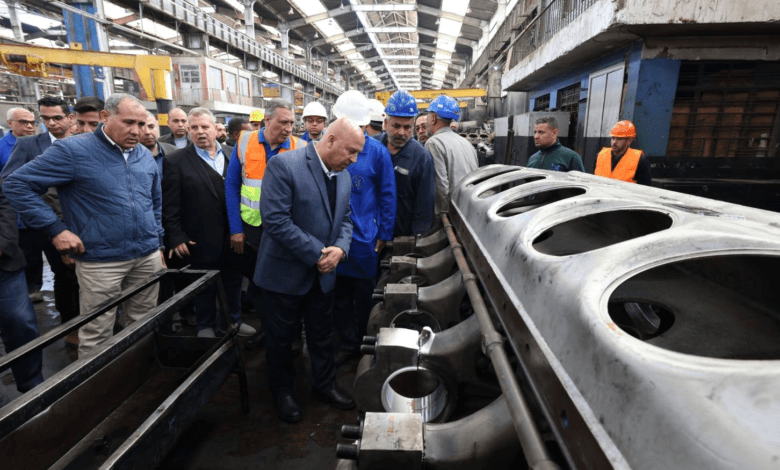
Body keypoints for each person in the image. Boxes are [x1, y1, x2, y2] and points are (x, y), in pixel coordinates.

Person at [3, 93, 166, 358]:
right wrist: (55, 229)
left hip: (147, 257)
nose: (137, 131)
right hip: (101, 261)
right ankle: (99, 383)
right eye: (128, 122)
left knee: (143, 323)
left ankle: (136, 374)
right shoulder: (73, 150)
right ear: (105, 117)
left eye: (141, 124)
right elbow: (16, 184)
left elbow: (154, 203)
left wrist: (157, 244)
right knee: (97, 333)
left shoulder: (144, 156)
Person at [255, 117, 362, 423]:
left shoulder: (343, 175)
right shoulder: (285, 166)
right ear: (331, 141)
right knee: (281, 339)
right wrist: (317, 254)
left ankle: (324, 385)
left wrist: (340, 249)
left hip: (323, 275)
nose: (354, 159)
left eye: (357, 153)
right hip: (284, 274)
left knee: (322, 334)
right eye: (351, 151)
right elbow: (275, 220)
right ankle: (282, 392)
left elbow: (346, 219)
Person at [162, 108, 255, 338]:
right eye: (194, 128)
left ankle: (233, 321)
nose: (200, 132)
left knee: (233, 280)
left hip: (234, 235)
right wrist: (176, 235)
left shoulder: (234, 154)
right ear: (189, 130)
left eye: (205, 127)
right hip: (199, 236)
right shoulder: (175, 161)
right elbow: (170, 204)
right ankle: (205, 326)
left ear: (215, 128)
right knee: (203, 283)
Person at [329, 93, 396, 366]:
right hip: (334, 238)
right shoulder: (329, 148)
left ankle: (365, 342)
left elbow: (388, 195)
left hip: (365, 239)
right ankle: (346, 343)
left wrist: (384, 234)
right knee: (339, 296)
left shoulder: (378, 153)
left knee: (365, 296)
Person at [226, 99, 305, 328]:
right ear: (267, 120)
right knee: (257, 284)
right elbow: (232, 185)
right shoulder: (244, 142)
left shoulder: (300, 147)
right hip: (253, 231)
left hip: (285, 231)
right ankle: (268, 330)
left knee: (283, 285)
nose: (288, 129)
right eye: (283, 122)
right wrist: (236, 229)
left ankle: (287, 332)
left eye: (291, 123)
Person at [2, 96, 73, 307]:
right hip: (47, 224)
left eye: (57, 117)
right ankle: (70, 323)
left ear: (69, 118)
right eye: (46, 118)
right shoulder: (28, 145)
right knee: (64, 275)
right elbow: (9, 181)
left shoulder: (83, 142)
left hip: (83, 220)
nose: (51, 123)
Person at [0, 178, 43, 393]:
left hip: (4, 264)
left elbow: (4, 205)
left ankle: (32, 386)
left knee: (21, 323)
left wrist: (3, 244)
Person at [380, 90, 435, 236]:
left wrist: (416, 240)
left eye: (407, 127)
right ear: (386, 123)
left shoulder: (421, 158)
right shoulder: (374, 149)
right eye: (396, 126)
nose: (401, 132)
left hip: (403, 236)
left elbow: (424, 207)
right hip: (372, 232)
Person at [425, 95, 478, 216]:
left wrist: (442, 215)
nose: (426, 121)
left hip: (451, 214)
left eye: (428, 116)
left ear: (433, 118)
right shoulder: (467, 143)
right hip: (470, 210)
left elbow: (441, 186)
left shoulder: (433, 143)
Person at [594, 120, 652, 186]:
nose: (614, 142)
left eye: (619, 139)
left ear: (629, 141)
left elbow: (645, 188)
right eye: (613, 138)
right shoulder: (600, 155)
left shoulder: (640, 161)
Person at [142, 111, 177, 177]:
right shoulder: (128, 157)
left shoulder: (175, 152)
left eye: (151, 127)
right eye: (142, 128)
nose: (147, 132)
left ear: (157, 127)